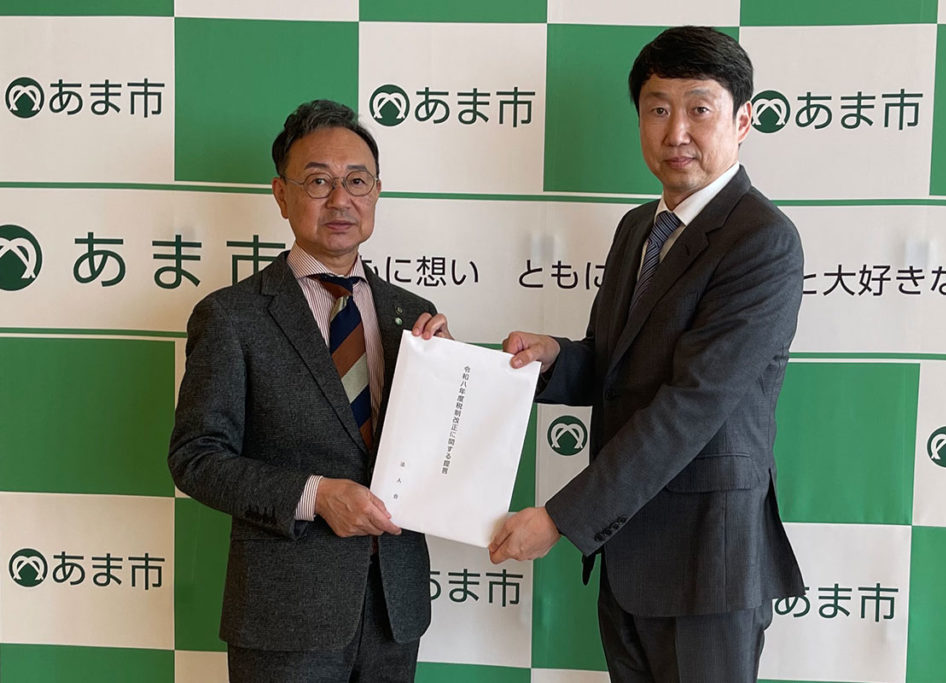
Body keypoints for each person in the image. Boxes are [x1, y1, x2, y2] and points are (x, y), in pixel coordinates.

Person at [489, 27, 805, 681]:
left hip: (707, 565)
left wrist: (560, 518)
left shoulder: (761, 240)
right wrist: (554, 359)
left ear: (743, 121)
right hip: (629, 553)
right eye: (658, 109)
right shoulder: (639, 227)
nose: (676, 132)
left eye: (699, 108)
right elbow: (616, 364)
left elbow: (693, 405)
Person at [168, 99, 451, 682]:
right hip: (284, 614)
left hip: (394, 607)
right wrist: (316, 495)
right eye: (318, 181)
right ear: (281, 194)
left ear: (376, 192)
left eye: (357, 181)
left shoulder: (413, 315)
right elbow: (196, 458)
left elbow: (435, 456)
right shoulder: (232, 316)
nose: (341, 199)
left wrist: (447, 381)